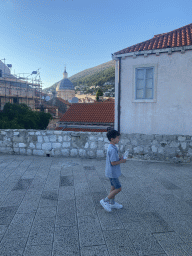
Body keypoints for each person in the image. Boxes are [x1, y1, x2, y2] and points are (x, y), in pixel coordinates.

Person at [100, 129, 126, 212]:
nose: (119, 139)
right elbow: (113, 163)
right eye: (117, 138)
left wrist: (119, 158)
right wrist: (122, 161)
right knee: (118, 188)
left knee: (113, 187)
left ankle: (112, 203)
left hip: (111, 172)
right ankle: (105, 200)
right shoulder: (112, 149)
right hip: (112, 173)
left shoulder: (112, 147)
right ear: (112, 139)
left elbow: (114, 159)